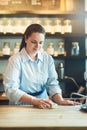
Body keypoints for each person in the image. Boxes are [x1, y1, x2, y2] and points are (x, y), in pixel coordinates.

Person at [3, 24, 80, 108]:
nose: (37, 46)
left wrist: (60, 100)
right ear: (26, 39)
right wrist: (34, 100)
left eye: (41, 43)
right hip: (21, 106)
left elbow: (52, 83)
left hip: (44, 104)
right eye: (34, 42)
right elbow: (11, 89)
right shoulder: (15, 60)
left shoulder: (47, 59)